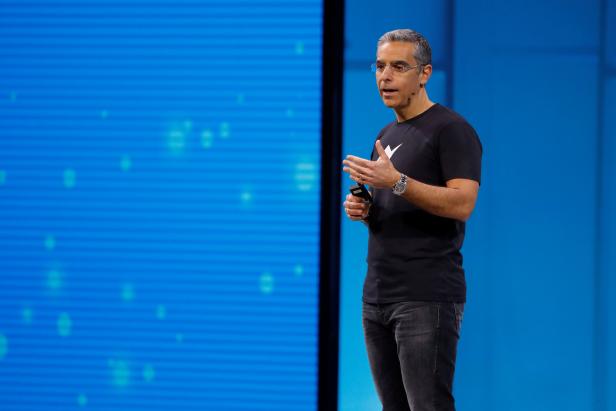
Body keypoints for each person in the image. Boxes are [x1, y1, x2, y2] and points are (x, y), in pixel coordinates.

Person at [342, 29, 483, 411]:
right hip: (377, 296)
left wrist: (397, 182)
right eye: (381, 66)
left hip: (425, 295)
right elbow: (399, 203)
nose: (385, 76)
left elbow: (462, 203)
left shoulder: (451, 130)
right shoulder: (387, 133)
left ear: (424, 73)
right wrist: (368, 209)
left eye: (399, 67)